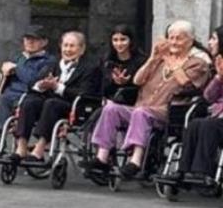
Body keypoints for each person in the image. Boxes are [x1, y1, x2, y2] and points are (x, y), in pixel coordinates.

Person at [89, 20, 210, 179]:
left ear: (191, 39)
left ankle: (136, 160)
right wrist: (153, 58)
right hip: (142, 107)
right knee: (111, 109)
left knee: (141, 112)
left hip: (169, 111)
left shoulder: (198, 63)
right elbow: (137, 81)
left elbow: (186, 82)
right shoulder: (160, 60)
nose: (173, 42)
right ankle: (102, 158)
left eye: (178, 38)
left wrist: (173, 62)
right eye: (171, 38)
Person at [7, 30, 101, 165]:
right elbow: (33, 84)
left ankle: (39, 150)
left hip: (73, 106)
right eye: (65, 45)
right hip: (48, 103)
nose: (68, 49)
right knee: (29, 102)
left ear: (82, 49)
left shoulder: (90, 68)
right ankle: (21, 147)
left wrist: (58, 88)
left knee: (52, 103)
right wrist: (42, 85)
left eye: (72, 46)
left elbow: (85, 93)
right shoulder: (53, 64)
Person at [0, 25, 52, 174]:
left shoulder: (48, 61)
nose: (29, 42)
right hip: (9, 98)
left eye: (34, 39)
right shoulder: (18, 57)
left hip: (31, 99)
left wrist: (16, 68)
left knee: (2, 108)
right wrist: (6, 73)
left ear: (44, 42)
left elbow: (33, 81)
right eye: (27, 39)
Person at [177, 26, 223, 178]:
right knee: (195, 123)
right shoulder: (218, 64)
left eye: (214, 39)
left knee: (208, 125)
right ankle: (182, 171)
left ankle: (203, 172)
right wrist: (218, 78)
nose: (210, 43)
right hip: (217, 115)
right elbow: (208, 97)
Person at [103, 24, 146, 105]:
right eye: (115, 40)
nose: (119, 44)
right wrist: (114, 81)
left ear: (130, 40)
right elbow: (103, 87)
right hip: (109, 101)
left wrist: (126, 82)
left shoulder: (140, 61)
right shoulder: (107, 61)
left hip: (132, 103)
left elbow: (141, 86)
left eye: (123, 40)